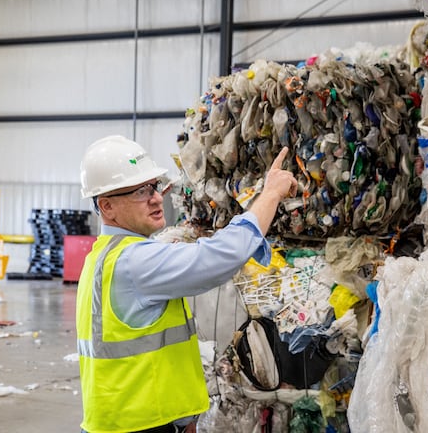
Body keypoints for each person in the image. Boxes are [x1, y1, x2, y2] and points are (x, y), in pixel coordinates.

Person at [76, 134, 297, 433]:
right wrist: (270, 194)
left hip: (137, 421)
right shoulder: (134, 262)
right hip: (137, 426)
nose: (156, 198)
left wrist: (182, 421)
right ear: (107, 207)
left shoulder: (105, 256)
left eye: (154, 187)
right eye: (140, 191)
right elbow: (218, 258)